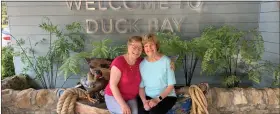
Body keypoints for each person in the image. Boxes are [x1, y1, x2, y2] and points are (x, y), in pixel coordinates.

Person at [138, 33, 177, 114]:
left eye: (151, 45)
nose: (149, 48)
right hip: (148, 96)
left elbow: (170, 86)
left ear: (156, 45)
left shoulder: (166, 61)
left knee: (154, 112)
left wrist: (157, 99)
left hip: (166, 97)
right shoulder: (142, 64)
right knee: (141, 112)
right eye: (146, 46)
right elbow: (141, 87)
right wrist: (144, 101)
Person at [104, 36, 143, 114]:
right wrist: (123, 105)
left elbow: (155, 62)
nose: (137, 50)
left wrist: (170, 64)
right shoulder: (119, 61)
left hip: (131, 97)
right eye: (134, 47)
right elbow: (113, 85)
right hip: (113, 96)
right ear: (128, 46)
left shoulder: (141, 61)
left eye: (140, 48)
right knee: (124, 112)